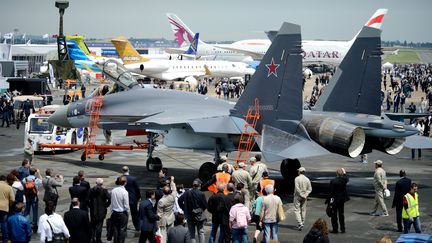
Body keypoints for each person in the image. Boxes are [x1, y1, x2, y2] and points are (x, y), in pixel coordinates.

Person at [178, 179, 207, 243]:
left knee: (192, 234)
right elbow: (205, 205)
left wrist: (184, 208)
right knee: (201, 232)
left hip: (189, 215)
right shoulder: (201, 193)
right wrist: (200, 210)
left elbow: (179, 200)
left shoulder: (186, 193)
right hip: (199, 215)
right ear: (199, 185)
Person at [88, 178, 111, 243]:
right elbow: (109, 199)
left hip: (93, 210)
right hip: (101, 210)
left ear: (96, 183)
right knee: (99, 226)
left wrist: (90, 206)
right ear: (102, 183)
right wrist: (106, 205)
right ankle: (98, 239)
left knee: (93, 225)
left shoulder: (91, 190)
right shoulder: (104, 191)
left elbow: (87, 200)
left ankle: (92, 238)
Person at [327, 168, 349, 234]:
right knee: (341, 214)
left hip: (334, 200)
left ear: (336, 173)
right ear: (342, 174)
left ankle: (335, 229)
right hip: (341, 200)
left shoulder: (333, 181)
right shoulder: (344, 180)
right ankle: (343, 229)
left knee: (334, 215)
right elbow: (346, 178)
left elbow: (331, 192)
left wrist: (329, 202)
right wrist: (344, 173)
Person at [121, 165, 141, 231]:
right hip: (132, 198)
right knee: (134, 213)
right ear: (128, 170)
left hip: (123, 199)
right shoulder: (133, 178)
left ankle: (124, 227)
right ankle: (137, 227)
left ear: (122, 171)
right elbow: (137, 189)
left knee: (124, 213)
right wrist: (139, 197)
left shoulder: (120, 178)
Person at [157, 177, 177, 243]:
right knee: (170, 235)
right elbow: (174, 189)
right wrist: (172, 181)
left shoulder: (161, 201)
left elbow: (159, 213)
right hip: (171, 217)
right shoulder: (173, 196)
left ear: (163, 192)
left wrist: (158, 223)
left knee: (163, 237)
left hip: (164, 220)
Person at [23, 167, 43, 232]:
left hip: (27, 196)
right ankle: (34, 225)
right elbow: (41, 182)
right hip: (34, 197)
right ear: (34, 173)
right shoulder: (36, 179)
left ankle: (26, 223)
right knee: (35, 211)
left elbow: (23, 185)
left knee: (27, 211)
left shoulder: (25, 179)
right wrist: (39, 173)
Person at [111, 175, 129, 243]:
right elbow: (126, 205)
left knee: (115, 229)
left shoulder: (113, 190)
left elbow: (112, 202)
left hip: (115, 212)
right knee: (122, 229)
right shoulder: (125, 192)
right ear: (125, 182)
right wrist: (127, 211)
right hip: (122, 213)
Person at [0, 175, 15, 242]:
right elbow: (12, 199)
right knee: (4, 224)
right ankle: (4, 239)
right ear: (5, 180)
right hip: (4, 207)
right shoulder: (9, 187)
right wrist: (9, 204)